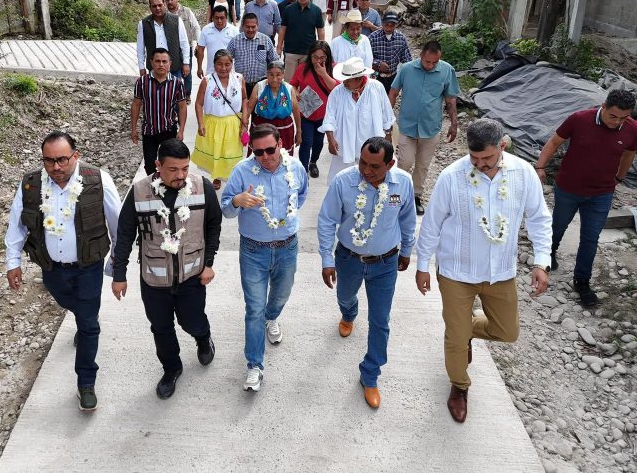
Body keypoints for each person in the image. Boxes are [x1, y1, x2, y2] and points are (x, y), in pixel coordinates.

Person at [415, 118, 552, 423]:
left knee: (508, 332)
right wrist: (422, 266)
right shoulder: (453, 177)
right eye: (474, 158)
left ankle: (465, 331)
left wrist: (541, 262)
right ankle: (459, 386)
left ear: (502, 145)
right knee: (454, 338)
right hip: (456, 272)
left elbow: (540, 219)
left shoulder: (523, 173)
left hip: (500, 272)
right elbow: (433, 224)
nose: (479, 164)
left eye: (487, 158)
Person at [5, 131, 121, 412]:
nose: (56, 167)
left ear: (75, 156)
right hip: (51, 268)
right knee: (71, 305)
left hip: (88, 266)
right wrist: (13, 262)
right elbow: (16, 225)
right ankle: (83, 318)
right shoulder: (31, 185)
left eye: (62, 160)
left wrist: (118, 264)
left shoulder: (97, 180)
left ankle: (86, 382)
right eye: (49, 161)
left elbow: (118, 223)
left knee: (89, 323)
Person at [112, 139, 222, 399]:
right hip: (154, 278)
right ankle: (171, 368)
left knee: (192, 320)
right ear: (158, 165)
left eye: (184, 169)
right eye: (173, 170)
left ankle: (203, 337)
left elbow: (213, 226)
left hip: (192, 276)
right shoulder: (139, 192)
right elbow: (125, 233)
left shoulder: (202, 187)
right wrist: (119, 275)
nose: (180, 176)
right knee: (161, 328)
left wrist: (208, 264)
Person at [318, 137, 415, 409]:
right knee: (345, 296)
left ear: (390, 164)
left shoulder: (403, 183)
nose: (366, 170)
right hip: (348, 258)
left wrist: (407, 250)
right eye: (363, 162)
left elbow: (407, 219)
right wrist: (327, 259)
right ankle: (349, 313)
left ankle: (370, 375)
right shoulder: (343, 181)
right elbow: (327, 220)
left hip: (385, 263)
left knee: (380, 321)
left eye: (374, 166)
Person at [221, 124, 309, 392]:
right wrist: (237, 200)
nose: (266, 156)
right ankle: (255, 366)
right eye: (259, 152)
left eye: (270, 149)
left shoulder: (295, 168)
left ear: (280, 144)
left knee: (281, 296)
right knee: (254, 309)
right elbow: (225, 208)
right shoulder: (242, 171)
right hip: (253, 250)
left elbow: (301, 195)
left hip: (287, 246)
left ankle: (272, 317)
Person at [534, 89, 637, 307]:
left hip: (601, 193)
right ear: (603, 106)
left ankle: (582, 281)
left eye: (623, 118)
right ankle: (549, 252)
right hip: (568, 188)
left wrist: (619, 177)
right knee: (559, 224)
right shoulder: (579, 119)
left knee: (590, 238)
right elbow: (554, 142)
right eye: (613, 116)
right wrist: (540, 167)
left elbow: (629, 153)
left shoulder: (632, 129)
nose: (617, 122)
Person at [388, 40, 459, 216]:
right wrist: (387, 121)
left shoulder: (446, 70)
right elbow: (393, 92)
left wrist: (454, 123)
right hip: (407, 125)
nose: (430, 65)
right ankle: (397, 195)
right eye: (427, 61)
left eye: (435, 62)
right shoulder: (406, 69)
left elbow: (450, 99)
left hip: (430, 128)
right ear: (421, 56)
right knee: (404, 162)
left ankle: (416, 196)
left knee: (422, 165)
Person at [320, 57, 394, 183]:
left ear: (359, 78)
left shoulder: (376, 88)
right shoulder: (337, 92)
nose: (344, 82)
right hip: (345, 146)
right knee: (343, 182)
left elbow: (387, 115)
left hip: (372, 146)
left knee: (373, 181)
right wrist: (330, 138)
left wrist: (388, 135)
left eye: (348, 79)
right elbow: (329, 117)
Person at [192, 49, 248, 190]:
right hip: (213, 123)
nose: (223, 68)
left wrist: (245, 121)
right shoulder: (207, 81)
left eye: (227, 64)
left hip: (232, 123)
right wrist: (200, 123)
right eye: (219, 64)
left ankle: (233, 178)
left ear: (232, 64)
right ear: (214, 64)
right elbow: (198, 103)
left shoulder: (239, 79)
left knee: (231, 152)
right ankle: (216, 176)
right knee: (215, 151)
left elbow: (244, 99)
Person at [131, 48, 187, 175]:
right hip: (149, 131)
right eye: (157, 61)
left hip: (169, 130)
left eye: (164, 61)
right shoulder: (142, 82)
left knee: (170, 163)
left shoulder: (177, 83)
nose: (161, 64)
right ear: (151, 62)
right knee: (150, 165)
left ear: (170, 64)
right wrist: (133, 129)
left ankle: (168, 188)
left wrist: (181, 130)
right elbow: (136, 105)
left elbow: (182, 107)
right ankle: (154, 189)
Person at [290, 40, 339, 177]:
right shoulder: (303, 68)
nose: (318, 61)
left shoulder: (334, 69)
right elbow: (293, 84)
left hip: (324, 115)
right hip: (306, 114)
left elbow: (336, 90)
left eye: (322, 58)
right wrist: (296, 92)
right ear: (310, 56)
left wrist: (323, 73)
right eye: (315, 57)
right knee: (307, 142)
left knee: (318, 142)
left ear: (328, 57)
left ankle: (313, 162)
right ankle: (303, 169)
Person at [136, 0, 191, 101]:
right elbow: (140, 48)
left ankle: (176, 117)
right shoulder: (143, 24)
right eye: (154, 6)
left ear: (164, 4)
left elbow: (184, 43)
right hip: (153, 68)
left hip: (174, 66)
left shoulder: (176, 21)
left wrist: (186, 63)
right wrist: (141, 67)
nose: (157, 8)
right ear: (150, 7)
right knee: (155, 97)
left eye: (160, 5)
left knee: (176, 97)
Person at [246, 61, 301, 154]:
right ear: (267, 74)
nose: (274, 79)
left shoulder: (289, 88)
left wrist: (299, 131)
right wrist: (243, 127)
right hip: (262, 127)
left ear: (283, 74)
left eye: (278, 75)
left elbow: (296, 111)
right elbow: (249, 107)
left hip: (284, 128)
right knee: (260, 154)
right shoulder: (260, 86)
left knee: (282, 156)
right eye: (271, 75)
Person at [276, 0, 326, 81]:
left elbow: (321, 30)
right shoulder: (288, 10)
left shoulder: (316, 11)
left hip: (308, 52)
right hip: (291, 52)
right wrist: (279, 47)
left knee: (306, 81)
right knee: (289, 82)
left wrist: (321, 48)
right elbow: (283, 29)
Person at [227, 12, 275, 99]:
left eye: (253, 27)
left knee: (259, 111)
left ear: (257, 26)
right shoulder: (235, 41)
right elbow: (226, 60)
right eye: (247, 27)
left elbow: (274, 61)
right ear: (242, 26)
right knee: (241, 111)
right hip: (240, 85)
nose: (250, 29)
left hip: (261, 85)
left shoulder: (265, 40)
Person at [165, 0, 201, 100]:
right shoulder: (163, 14)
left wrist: (199, 44)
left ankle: (187, 94)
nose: (170, 2)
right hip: (170, 49)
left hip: (187, 47)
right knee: (172, 72)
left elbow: (196, 27)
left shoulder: (186, 11)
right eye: (167, 0)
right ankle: (173, 94)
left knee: (187, 71)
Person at [369, 12, 412, 94]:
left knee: (390, 100)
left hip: (393, 77)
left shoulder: (401, 38)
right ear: (382, 23)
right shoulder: (373, 37)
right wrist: (378, 63)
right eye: (386, 25)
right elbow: (365, 58)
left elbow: (407, 59)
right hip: (376, 77)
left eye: (392, 25)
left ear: (397, 25)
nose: (388, 28)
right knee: (376, 100)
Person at [196, 5, 239, 79]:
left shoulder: (234, 31)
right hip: (211, 72)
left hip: (230, 72)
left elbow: (239, 52)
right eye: (217, 18)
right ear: (212, 18)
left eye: (222, 18)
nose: (219, 21)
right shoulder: (206, 30)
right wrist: (199, 67)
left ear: (226, 18)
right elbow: (200, 49)